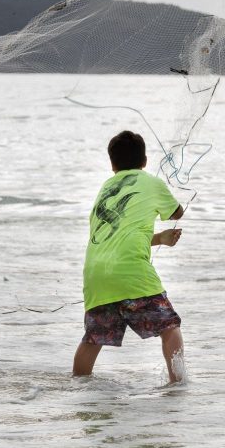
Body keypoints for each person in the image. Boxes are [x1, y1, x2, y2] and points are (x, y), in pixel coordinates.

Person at [72, 130, 186, 383]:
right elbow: (177, 213)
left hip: (96, 277)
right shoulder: (152, 182)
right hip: (132, 273)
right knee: (170, 327)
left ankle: (77, 388)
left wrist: (159, 239)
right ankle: (179, 387)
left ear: (112, 164)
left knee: (92, 340)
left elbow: (119, 235)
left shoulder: (106, 187)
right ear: (144, 161)